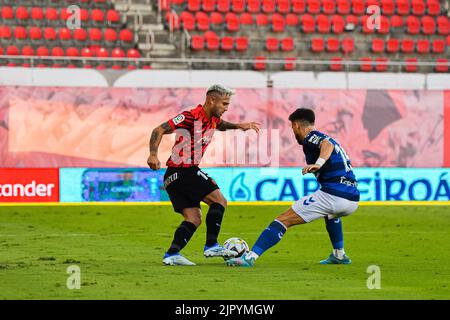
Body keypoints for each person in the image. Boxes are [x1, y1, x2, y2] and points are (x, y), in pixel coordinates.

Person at [226, 108, 360, 267]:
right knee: (331, 215)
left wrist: (318, 164)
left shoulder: (312, 136)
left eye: (292, 128)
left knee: (282, 220)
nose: (293, 131)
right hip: (352, 198)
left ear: (296, 125)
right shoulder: (322, 138)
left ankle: (249, 258)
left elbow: (327, 145)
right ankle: (339, 254)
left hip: (334, 195)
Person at [147, 84, 260, 266]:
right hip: (183, 170)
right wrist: (153, 154)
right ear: (211, 100)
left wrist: (239, 126)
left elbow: (221, 125)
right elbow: (158, 130)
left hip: (171, 177)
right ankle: (211, 245)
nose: (226, 108)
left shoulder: (213, 119)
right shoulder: (190, 116)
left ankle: (172, 254)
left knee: (194, 218)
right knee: (219, 201)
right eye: (224, 104)